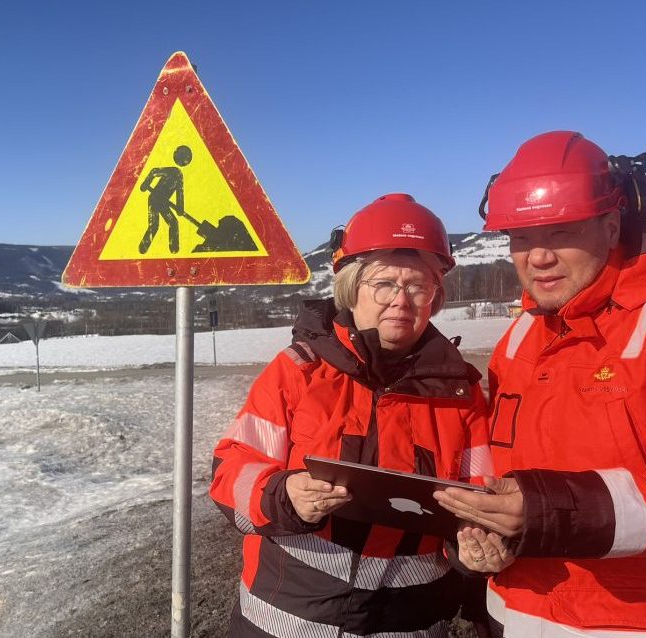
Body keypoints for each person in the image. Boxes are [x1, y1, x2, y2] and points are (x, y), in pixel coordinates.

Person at [434, 131, 646, 637]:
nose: (537, 257)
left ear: (611, 227)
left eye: (560, 232)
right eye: (520, 238)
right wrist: (478, 525)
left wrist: (544, 509)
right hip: (518, 613)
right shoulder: (520, 336)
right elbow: (497, 469)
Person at [209, 193, 494, 637]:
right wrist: (285, 495)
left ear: (435, 295)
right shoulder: (299, 370)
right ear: (352, 287)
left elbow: (481, 499)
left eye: (418, 285)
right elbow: (231, 471)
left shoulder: (463, 393)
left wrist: (474, 546)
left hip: (410, 625)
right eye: (384, 284)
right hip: (282, 623)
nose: (401, 300)